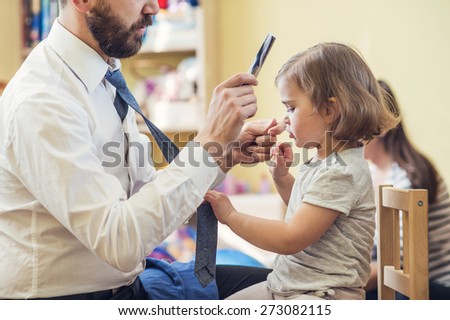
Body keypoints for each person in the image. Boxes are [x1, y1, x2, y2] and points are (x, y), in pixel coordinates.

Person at [0, 0, 282, 299]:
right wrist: (206, 145)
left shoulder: (102, 76)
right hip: (71, 301)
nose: (154, 9)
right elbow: (120, 242)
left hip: (130, 285)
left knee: (285, 285)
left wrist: (222, 152)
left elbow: (142, 197)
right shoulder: (44, 102)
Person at [205, 42, 399, 300]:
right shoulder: (326, 161)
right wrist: (282, 178)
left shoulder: (341, 171)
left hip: (323, 296)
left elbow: (290, 238)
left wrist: (231, 216)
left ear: (329, 110)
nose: (285, 118)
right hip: (291, 286)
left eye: (291, 107)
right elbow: (307, 213)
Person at [364, 80, 450, 300]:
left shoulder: (408, 177)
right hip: (397, 276)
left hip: (435, 287)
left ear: (380, 127)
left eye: (352, 123)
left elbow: (396, 265)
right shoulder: (372, 172)